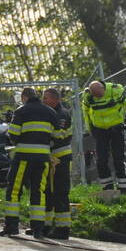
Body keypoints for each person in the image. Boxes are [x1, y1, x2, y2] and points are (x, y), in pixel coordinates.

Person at [0, 87, 58, 237]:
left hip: (24, 157)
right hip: (43, 159)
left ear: (24, 97)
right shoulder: (51, 112)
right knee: (38, 192)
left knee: (14, 191)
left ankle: (12, 226)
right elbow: (56, 136)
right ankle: (38, 229)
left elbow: (13, 135)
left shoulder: (21, 111)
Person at [81, 79, 126, 192]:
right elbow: (85, 111)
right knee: (101, 160)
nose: (97, 98)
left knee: (119, 159)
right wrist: (89, 128)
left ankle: (123, 189)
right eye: (95, 96)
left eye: (99, 95)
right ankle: (107, 188)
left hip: (116, 128)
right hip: (99, 130)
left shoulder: (115, 91)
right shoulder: (87, 96)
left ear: (103, 89)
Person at [43, 88, 73, 239]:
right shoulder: (51, 112)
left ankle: (63, 229)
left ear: (55, 100)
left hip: (60, 158)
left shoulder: (61, 114)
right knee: (48, 192)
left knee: (60, 192)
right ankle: (46, 226)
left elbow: (59, 136)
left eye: (46, 98)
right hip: (51, 158)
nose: (43, 100)